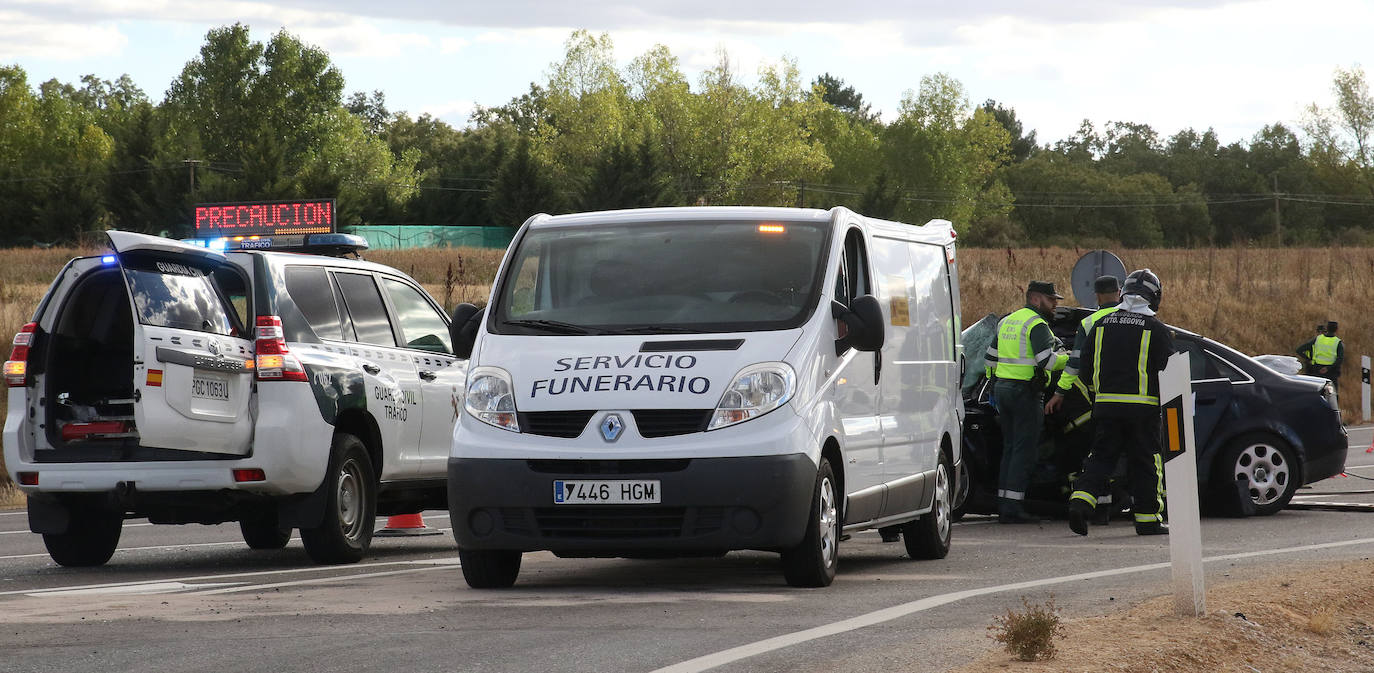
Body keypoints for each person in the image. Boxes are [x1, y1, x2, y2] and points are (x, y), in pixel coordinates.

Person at [1067, 269, 1174, 536]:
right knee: (1146, 461)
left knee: (1101, 458)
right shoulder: (1157, 330)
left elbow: (1085, 367)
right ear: (1154, 297)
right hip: (1144, 410)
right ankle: (1148, 519)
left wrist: (1098, 395)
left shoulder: (1102, 325)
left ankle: (1080, 504)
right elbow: (1170, 372)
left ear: (1124, 293)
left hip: (1106, 407)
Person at [984, 280, 1065, 524]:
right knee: (1024, 451)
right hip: (1025, 394)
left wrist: (994, 388)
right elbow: (1047, 362)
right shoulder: (1037, 324)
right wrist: (1069, 358)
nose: (1054, 306)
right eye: (1051, 300)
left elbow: (989, 360)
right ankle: (1013, 508)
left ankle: (1004, 503)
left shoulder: (1007, 320)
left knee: (1010, 448)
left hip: (1003, 390)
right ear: (1036, 299)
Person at [1045, 274, 1122, 523]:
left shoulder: (1089, 323)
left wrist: (1059, 393)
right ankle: (1143, 510)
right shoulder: (1138, 319)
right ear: (1119, 293)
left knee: (1098, 453)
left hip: (1100, 400)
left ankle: (1099, 511)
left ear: (1097, 296)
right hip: (1140, 399)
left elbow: (1075, 363)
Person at [1297, 321, 1344, 390]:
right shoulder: (1338, 342)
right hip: (1331, 372)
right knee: (1332, 394)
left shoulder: (1318, 339)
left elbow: (1299, 350)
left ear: (1327, 328)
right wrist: (1327, 368)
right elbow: (1340, 359)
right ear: (1337, 330)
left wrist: (1309, 360)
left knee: (1316, 391)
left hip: (1317, 370)